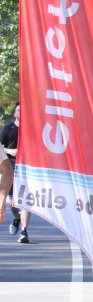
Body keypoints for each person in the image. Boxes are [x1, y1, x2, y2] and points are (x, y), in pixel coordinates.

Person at [1, 103, 30, 243]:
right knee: (14, 203)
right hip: (11, 167)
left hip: (28, 168)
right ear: (14, 113)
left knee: (26, 201)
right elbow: (1, 147)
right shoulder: (8, 129)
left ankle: (24, 232)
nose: (21, 112)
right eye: (19, 110)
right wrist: (10, 151)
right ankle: (17, 218)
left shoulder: (32, 129)